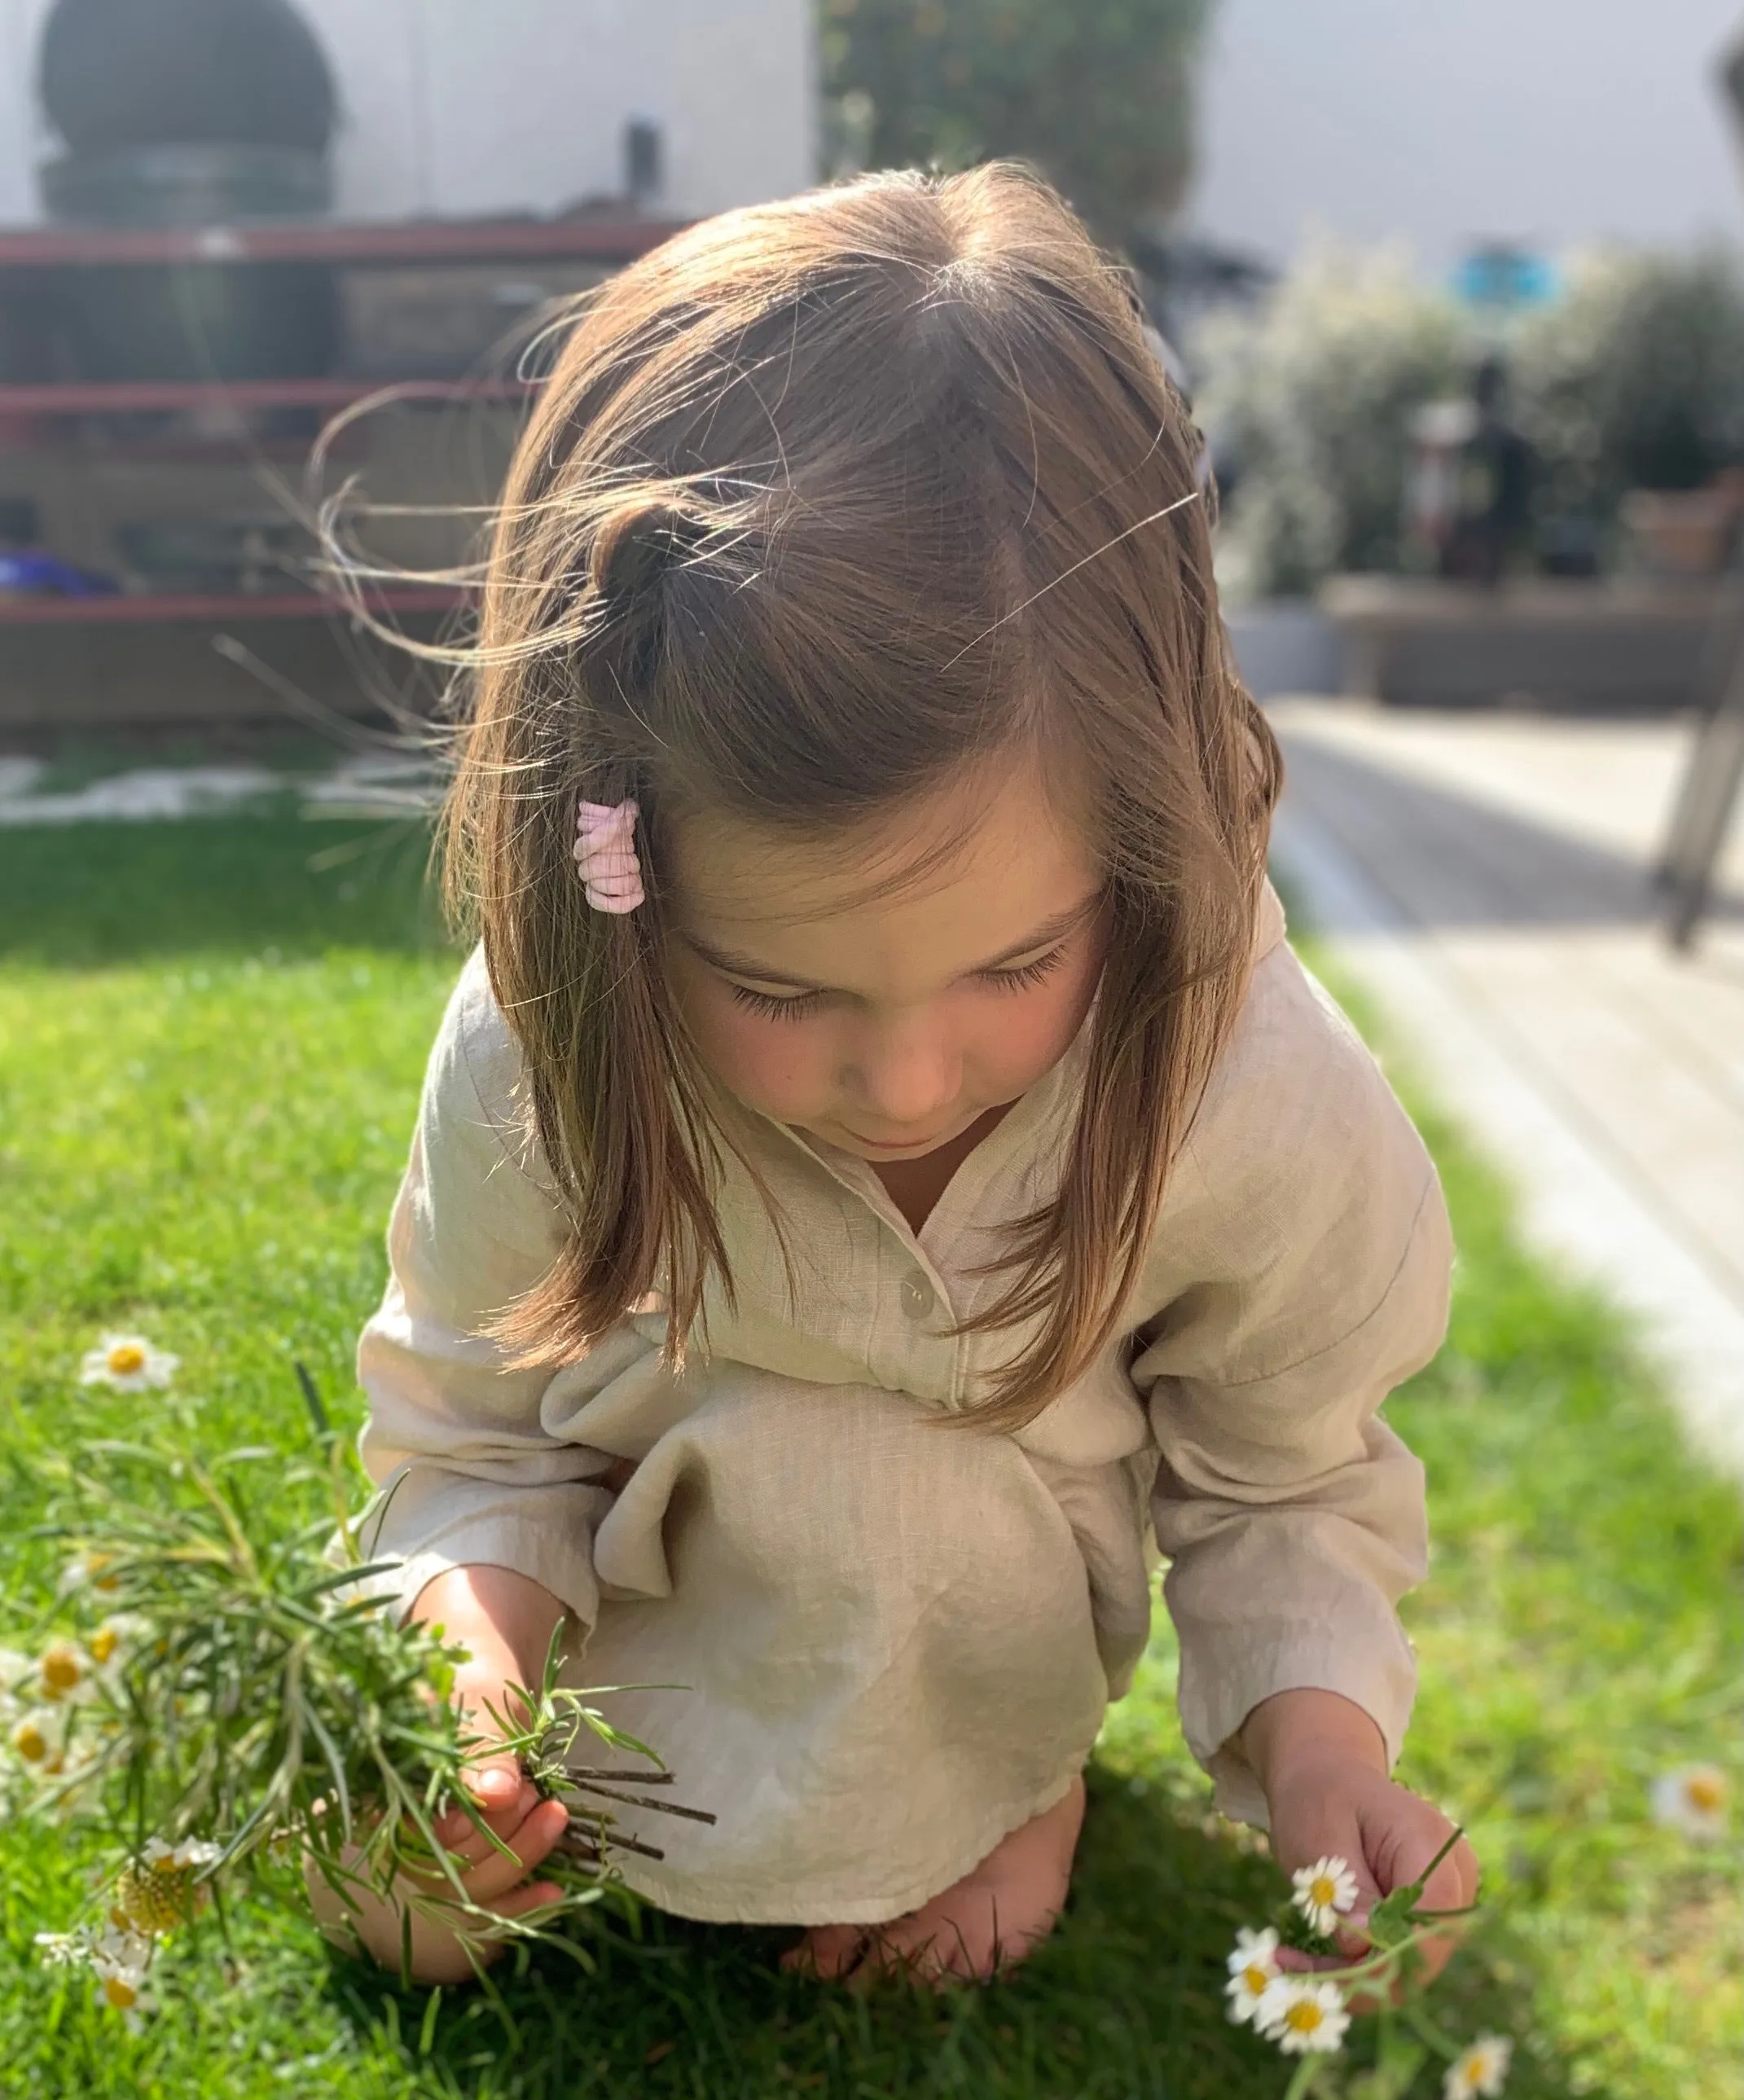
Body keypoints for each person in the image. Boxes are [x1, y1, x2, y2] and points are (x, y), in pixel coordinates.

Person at [306, 165, 1477, 1989]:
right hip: (642, 1635)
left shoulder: (1240, 1073)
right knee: (395, 1924)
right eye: (773, 981)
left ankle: (1003, 1790)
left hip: (988, 1617)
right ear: (605, 862)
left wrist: (1319, 1753)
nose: (911, 1073)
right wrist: (466, 1673)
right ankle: (592, 1797)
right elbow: (466, 1425)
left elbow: (1284, 1477)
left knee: (892, 1473)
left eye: (1017, 961)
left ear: (1145, 834)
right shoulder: (551, 1036)